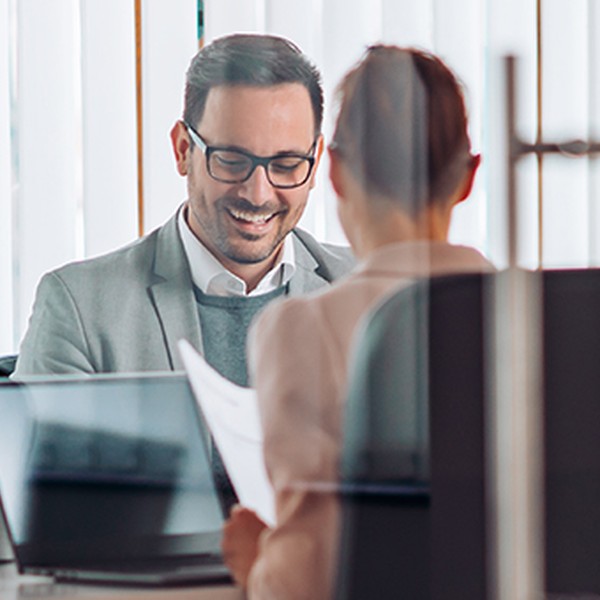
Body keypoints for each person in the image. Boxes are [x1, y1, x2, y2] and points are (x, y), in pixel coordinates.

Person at [221, 46, 495, 598]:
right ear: (468, 177)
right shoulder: (543, 317)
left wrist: (255, 564)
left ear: (337, 173)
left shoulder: (304, 330)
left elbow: (306, 579)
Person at [13, 34, 354, 382]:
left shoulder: (379, 294)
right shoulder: (81, 310)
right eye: (232, 161)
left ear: (314, 163)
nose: (258, 194)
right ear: (182, 150)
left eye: (286, 164)